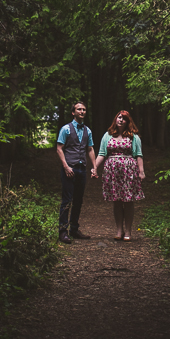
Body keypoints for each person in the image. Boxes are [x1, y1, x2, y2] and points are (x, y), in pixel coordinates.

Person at [94, 110, 145, 241]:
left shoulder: (134, 137)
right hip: (112, 172)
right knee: (116, 201)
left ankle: (128, 231)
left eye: (124, 118)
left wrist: (141, 171)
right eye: (119, 117)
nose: (121, 120)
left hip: (128, 171)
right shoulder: (107, 135)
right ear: (115, 120)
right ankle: (119, 230)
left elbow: (138, 155)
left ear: (128, 121)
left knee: (128, 201)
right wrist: (94, 167)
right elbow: (101, 153)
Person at [55, 101, 98, 244]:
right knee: (67, 200)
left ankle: (74, 229)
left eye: (84, 109)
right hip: (69, 168)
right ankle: (63, 231)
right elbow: (59, 148)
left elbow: (90, 149)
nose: (82, 111)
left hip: (82, 169)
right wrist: (66, 167)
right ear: (73, 112)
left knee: (78, 200)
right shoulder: (65, 129)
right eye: (79, 109)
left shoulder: (88, 131)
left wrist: (94, 167)